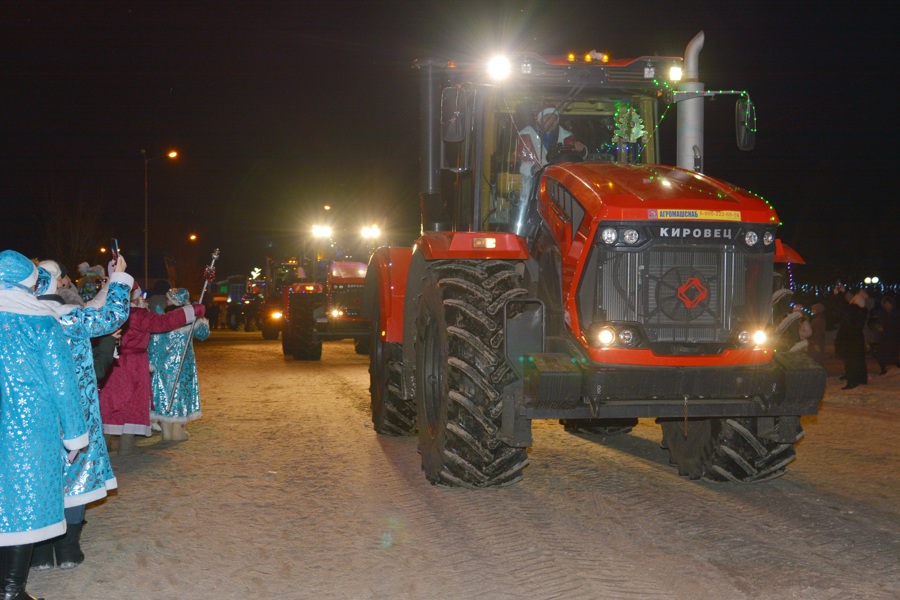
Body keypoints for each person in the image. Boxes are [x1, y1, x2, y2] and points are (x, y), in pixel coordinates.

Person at [29, 256, 132, 571]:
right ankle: (69, 548)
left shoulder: (19, 320)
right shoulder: (70, 319)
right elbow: (112, 315)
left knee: (42, 476)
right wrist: (120, 278)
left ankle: (42, 552)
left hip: (37, 415)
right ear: (56, 282)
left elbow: (95, 307)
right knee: (78, 475)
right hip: (77, 410)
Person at [0, 249, 88, 600]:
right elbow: (63, 384)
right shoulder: (40, 321)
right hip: (30, 429)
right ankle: (11, 590)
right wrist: (75, 435)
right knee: (24, 506)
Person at [98, 283, 205, 454]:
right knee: (132, 402)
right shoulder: (139, 315)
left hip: (112, 361)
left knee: (110, 401)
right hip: (134, 363)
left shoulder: (109, 311)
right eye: (141, 297)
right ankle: (125, 447)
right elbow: (164, 322)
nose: (144, 300)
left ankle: (104, 445)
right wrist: (191, 311)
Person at [149, 288, 210, 441]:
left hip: (162, 364)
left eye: (168, 299)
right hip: (183, 365)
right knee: (180, 394)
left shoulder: (162, 318)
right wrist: (201, 320)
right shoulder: (189, 319)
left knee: (164, 393)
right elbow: (204, 335)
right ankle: (177, 431)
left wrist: (152, 361)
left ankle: (167, 432)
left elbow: (154, 343)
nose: (166, 302)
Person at [516, 105, 587, 202]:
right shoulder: (527, 134)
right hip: (533, 187)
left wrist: (582, 150)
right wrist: (533, 169)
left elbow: (575, 159)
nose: (551, 121)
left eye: (555, 119)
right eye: (548, 117)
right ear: (540, 119)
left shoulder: (565, 136)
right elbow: (519, 163)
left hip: (558, 186)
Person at [841, 289, 870, 390]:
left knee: (851, 360)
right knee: (858, 359)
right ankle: (861, 378)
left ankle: (852, 381)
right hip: (858, 337)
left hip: (852, 338)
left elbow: (848, 321)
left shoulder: (853, 310)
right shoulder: (863, 310)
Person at [874, 295, 899, 375]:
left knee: (894, 352)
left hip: (894, 335)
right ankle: (883, 368)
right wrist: (879, 327)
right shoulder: (881, 313)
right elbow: (877, 322)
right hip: (884, 336)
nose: (887, 305)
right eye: (885, 304)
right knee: (882, 353)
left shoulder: (896, 313)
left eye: (888, 304)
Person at [807, 303, 827, 367]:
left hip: (817, 343)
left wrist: (816, 343)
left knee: (817, 360)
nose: (812, 310)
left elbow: (819, 332)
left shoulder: (819, 320)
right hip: (816, 342)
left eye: (813, 309)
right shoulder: (816, 318)